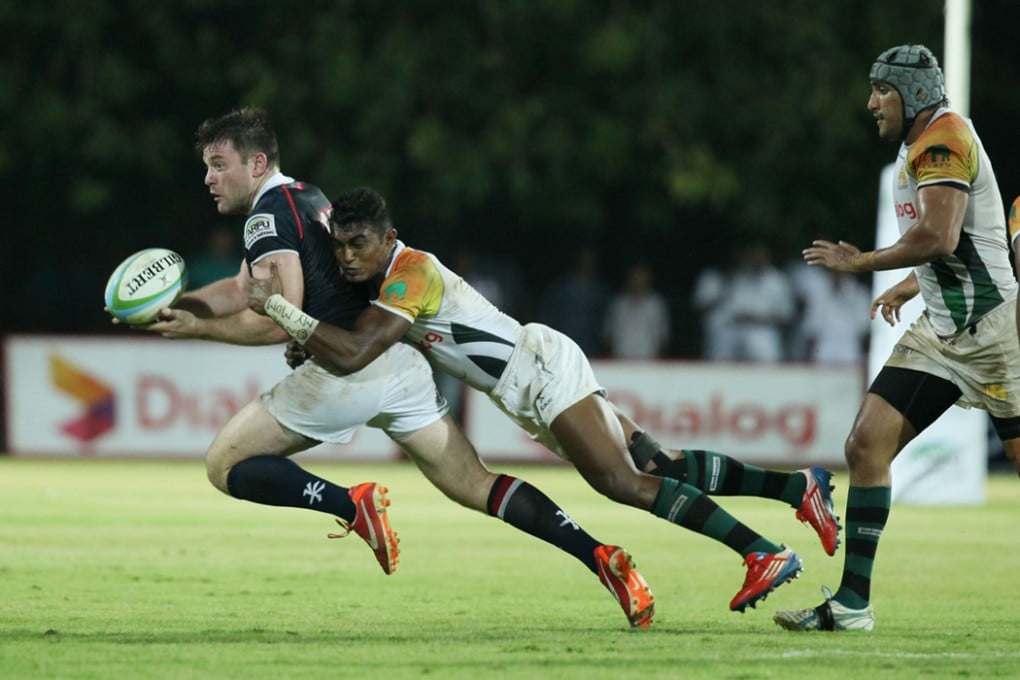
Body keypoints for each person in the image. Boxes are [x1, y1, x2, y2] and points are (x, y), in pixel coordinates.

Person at [134, 107, 656, 629]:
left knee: (224, 464)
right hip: (398, 361)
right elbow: (239, 288)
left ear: (257, 163)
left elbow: (278, 315)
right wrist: (181, 306)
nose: (208, 178)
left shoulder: (264, 218)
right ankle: (599, 557)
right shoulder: (306, 198)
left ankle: (349, 503)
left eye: (218, 164)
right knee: (477, 484)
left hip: (345, 372)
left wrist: (199, 328)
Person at [251, 186, 845, 615]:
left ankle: (760, 551)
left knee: (620, 483)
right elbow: (350, 341)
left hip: (536, 371)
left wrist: (277, 309)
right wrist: (310, 342)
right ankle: (799, 489)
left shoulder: (410, 273)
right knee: (656, 465)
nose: (347, 257)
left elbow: (356, 353)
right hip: (529, 382)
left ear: (388, 238)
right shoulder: (382, 282)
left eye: (358, 245)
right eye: (340, 248)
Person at [773, 44, 1020, 632]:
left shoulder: (944, 139)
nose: (871, 103)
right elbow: (955, 243)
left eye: (881, 90)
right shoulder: (923, 144)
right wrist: (912, 286)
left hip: (997, 336)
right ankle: (853, 604)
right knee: (866, 444)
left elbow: (937, 235)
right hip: (940, 332)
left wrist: (864, 265)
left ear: (912, 94)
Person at [602, 262, 671, 359]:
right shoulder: (618, 304)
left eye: (640, 276)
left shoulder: (656, 304)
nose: (637, 280)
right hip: (620, 360)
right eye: (634, 276)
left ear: (648, 278)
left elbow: (662, 337)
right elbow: (609, 335)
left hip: (648, 360)